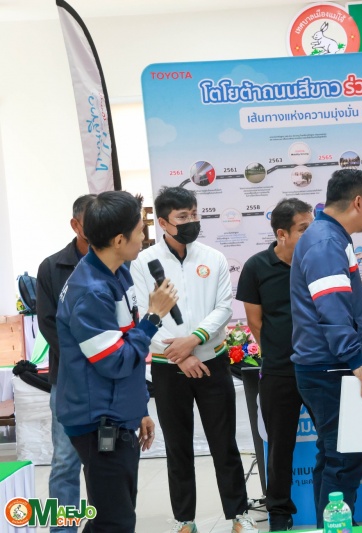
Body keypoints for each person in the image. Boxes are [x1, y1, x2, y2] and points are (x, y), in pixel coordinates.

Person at [130, 187, 257, 533]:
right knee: (178, 447)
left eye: (194, 214)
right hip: (168, 368)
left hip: (212, 362)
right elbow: (145, 315)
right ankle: (185, 519)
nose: (191, 222)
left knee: (224, 444)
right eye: (182, 217)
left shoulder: (214, 258)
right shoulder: (143, 262)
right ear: (163, 223)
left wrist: (194, 341)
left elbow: (224, 308)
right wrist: (179, 356)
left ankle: (239, 515)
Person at [290, 168, 362, 527]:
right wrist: (358, 362)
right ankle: (337, 526)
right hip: (332, 369)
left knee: (334, 457)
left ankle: (331, 526)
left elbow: (351, 304)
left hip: (329, 367)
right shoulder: (326, 243)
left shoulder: (330, 238)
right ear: (358, 202)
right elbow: (332, 314)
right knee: (344, 459)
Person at [56, 191, 177, 532]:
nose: (144, 237)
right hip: (98, 422)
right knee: (115, 522)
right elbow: (115, 361)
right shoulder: (91, 291)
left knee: (113, 516)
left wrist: (137, 410)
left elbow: (125, 345)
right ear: (119, 239)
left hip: (116, 414)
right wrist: (153, 317)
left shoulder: (117, 273)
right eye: (140, 231)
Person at [236, 198, 315, 531]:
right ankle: (279, 513)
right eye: (304, 229)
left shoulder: (318, 261)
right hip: (279, 370)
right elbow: (255, 322)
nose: (312, 234)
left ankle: (334, 503)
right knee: (279, 447)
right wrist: (280, 350)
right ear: (282, 233)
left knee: (332, 440)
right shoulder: (257, 267)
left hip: (318, 367)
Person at [36, 194, 94, 533]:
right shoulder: (52, 267)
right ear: (76, 225)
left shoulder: (121, 264)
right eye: (93, 221)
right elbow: (48, 323)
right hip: (69, 379)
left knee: (105, 460)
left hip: (109, 377)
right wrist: (86, 356)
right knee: (65, 460)